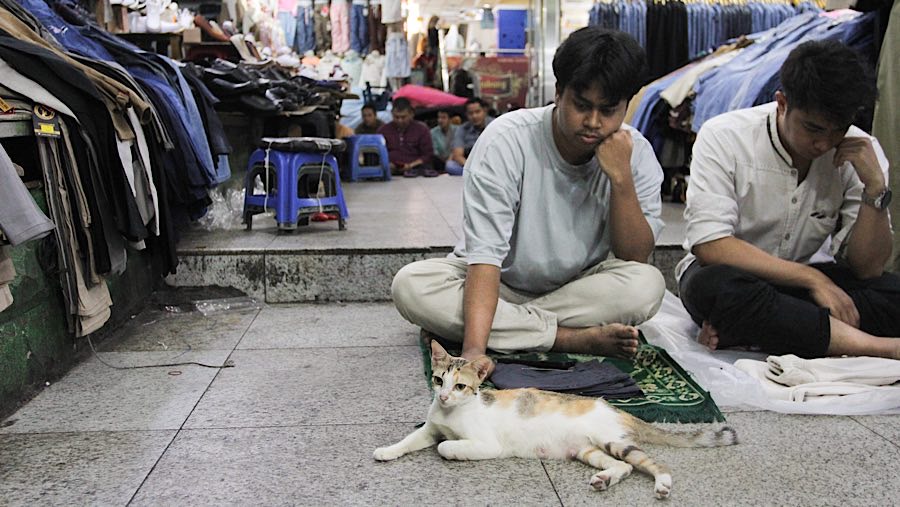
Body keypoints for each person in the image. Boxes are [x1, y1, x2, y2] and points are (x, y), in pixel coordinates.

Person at [391, 27, 666, 374]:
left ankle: (510, 329)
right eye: (582, 106)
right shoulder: (507, 140)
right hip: (497, 284)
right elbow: (485, 256)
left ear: (626, 106)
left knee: (647, 286)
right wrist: (474, 349)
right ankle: (567, 338)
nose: (594, 122)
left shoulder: (635, 153)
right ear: (558, 92)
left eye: (608, 110)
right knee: (411, 286)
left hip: (577, 289)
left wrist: (621, 179)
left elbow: (635, 256)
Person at [677, 39, 900, 360]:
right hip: (735, 275)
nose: (824, 143)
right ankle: (877, 347)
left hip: (804, 287)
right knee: (715, 288)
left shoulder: (860, 150)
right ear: (782, 102)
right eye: (813, 128)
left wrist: (875, 190)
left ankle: (760, 330)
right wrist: (811, 278)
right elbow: (711, 245)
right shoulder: (724, 136)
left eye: (837, 130)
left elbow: (868, 269)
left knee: (892, 294)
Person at [377, 97, 437, 177]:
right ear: (391, 114)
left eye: (403, 117)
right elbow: (378, 153)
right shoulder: (383, 130)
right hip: (390, 171)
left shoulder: (422, 129)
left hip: (416, 171)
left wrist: (410, 165)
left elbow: (428, 155)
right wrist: (387, 164)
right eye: (396, 117)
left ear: (411, 114)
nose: (399, 120)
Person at [445, 97, 493, 176]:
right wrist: (473, 168)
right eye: (471, 113)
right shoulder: (462, 129)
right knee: (450, 166)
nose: (474, 116)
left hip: (492, 164)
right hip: (471, 166)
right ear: (466, 115)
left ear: (485, 111)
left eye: (478, 112)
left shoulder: (495, 125)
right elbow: (458, 155)